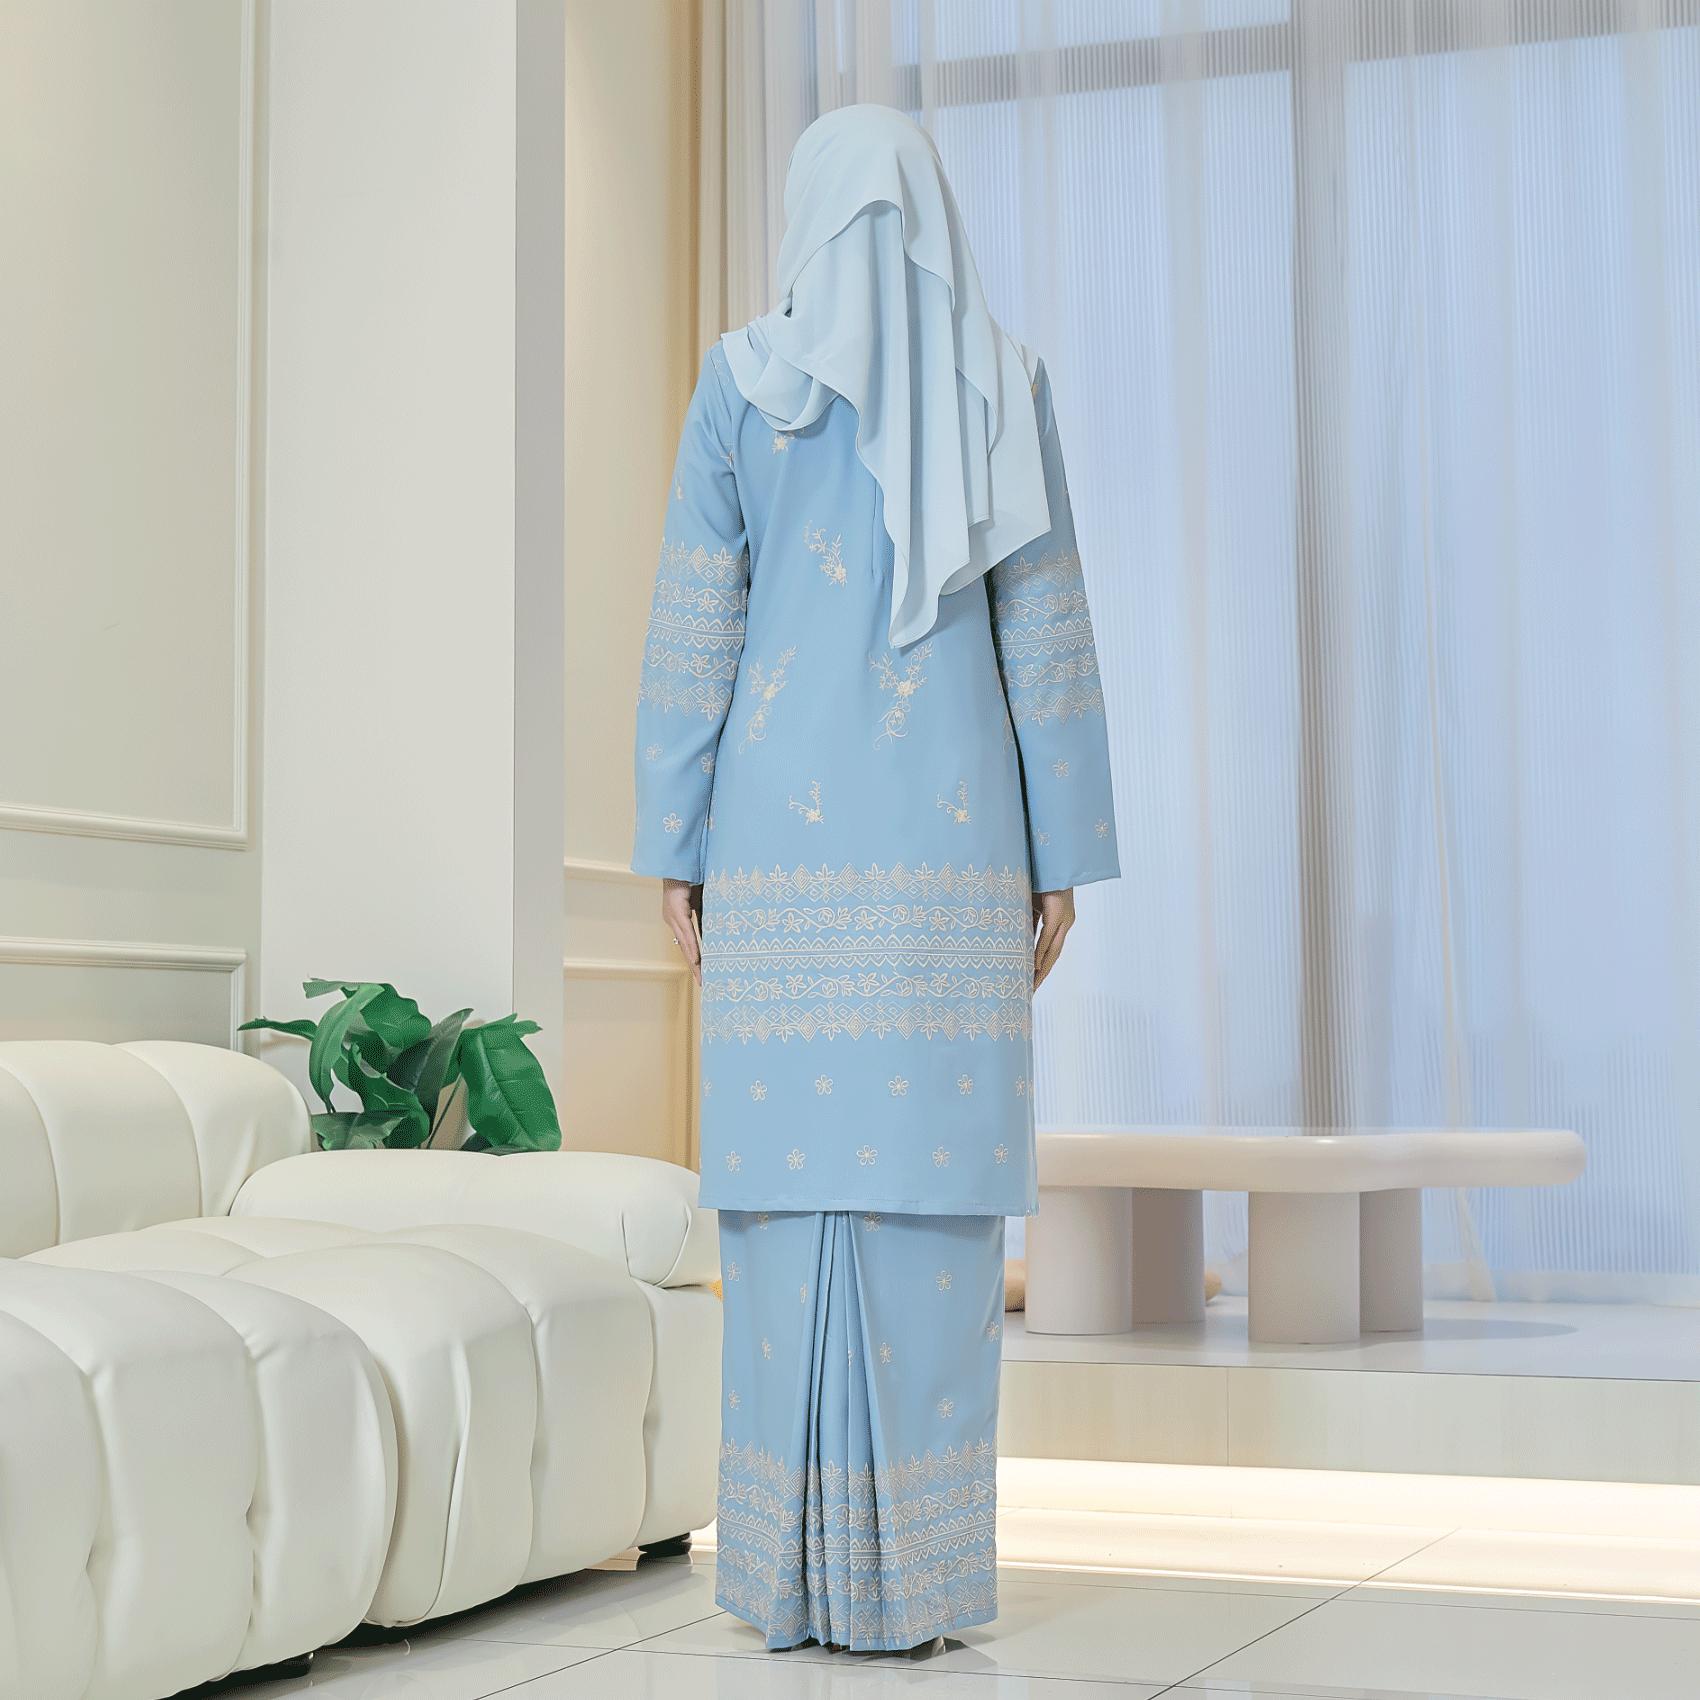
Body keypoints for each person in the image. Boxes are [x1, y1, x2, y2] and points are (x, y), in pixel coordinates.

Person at [630, 103, 1118, 1654]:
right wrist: (1061, 853)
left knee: (789, 1206)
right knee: (927, 1202)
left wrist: (674, 839)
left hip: (777, 841)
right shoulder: (1003, 382)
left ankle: (785, 1580)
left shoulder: (738, 383)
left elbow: (695, 630)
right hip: (952, 846)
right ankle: (919, 1585)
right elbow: (1046, 631)